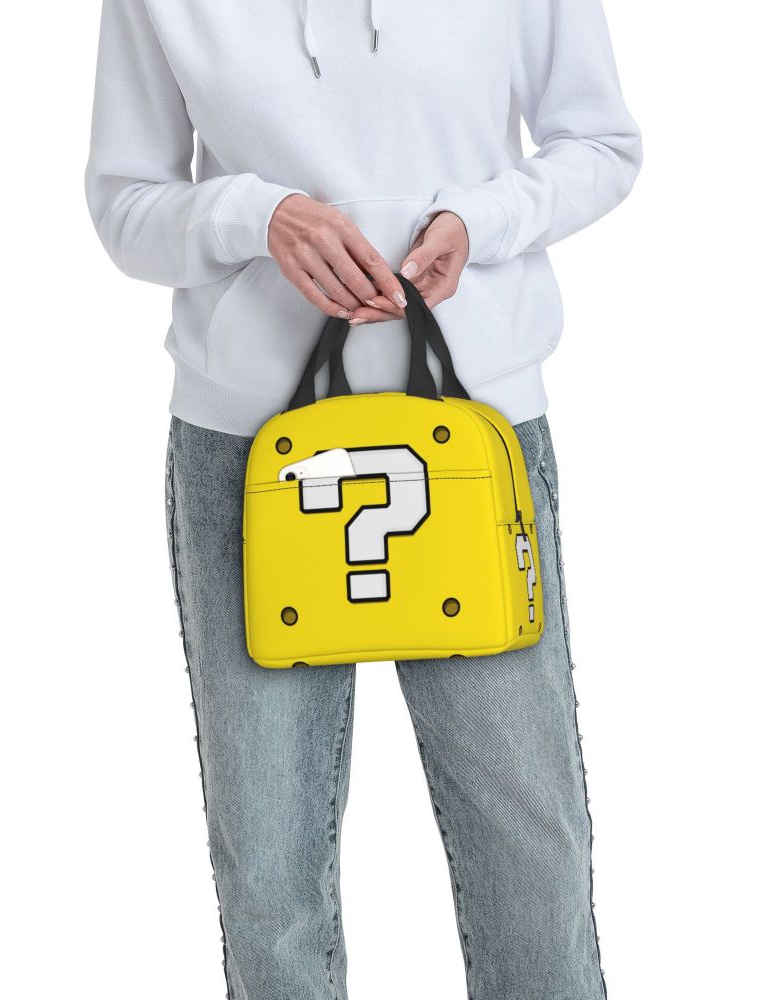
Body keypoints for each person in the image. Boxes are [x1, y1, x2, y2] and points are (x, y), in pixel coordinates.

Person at [85, 1, 641, 997]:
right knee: (269, 873)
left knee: (530, 852)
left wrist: (481, 220)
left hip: (473, 443)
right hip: (251, 454)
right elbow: (126, 205)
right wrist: (254, 217)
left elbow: (600, 143)